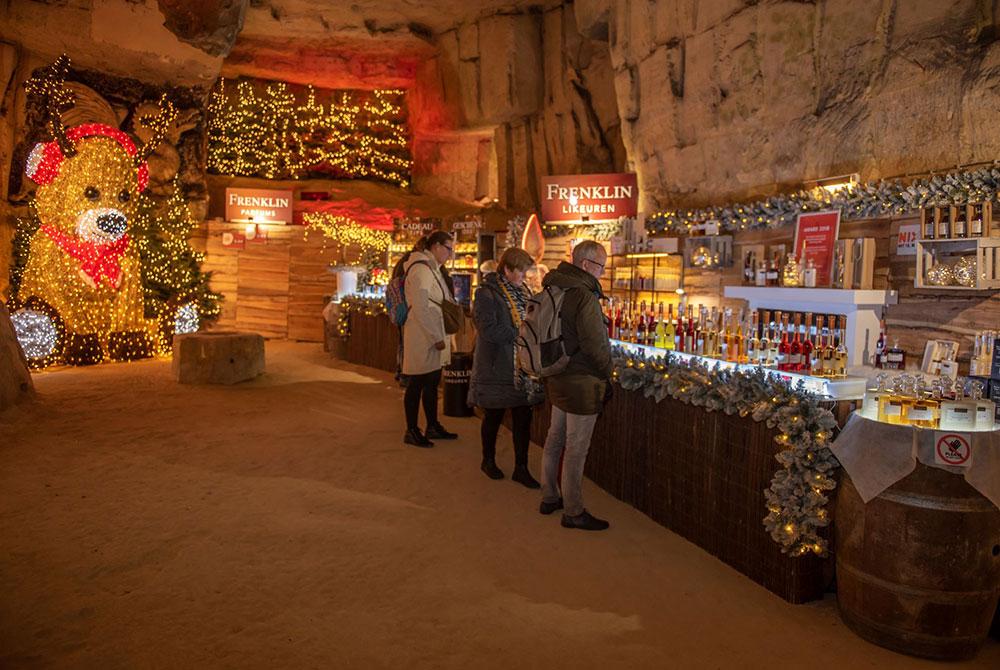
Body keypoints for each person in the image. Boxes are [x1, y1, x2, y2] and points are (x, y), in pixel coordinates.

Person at [538, 240, 612, 531]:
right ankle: (573, 511)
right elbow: (596, 345)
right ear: (585, 265)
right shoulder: (584, 295)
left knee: (554, 439)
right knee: (576, 449)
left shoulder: (554, 285)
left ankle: (549, 496)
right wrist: (608, 373)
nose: (602, 274)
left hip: (556, 374)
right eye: (600, 267)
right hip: (582, 380)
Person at [468, 247, 543, 487]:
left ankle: (521, 467)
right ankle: (487, 460)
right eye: (520, 271)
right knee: (494, 415)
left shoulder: (523, 291)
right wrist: (521, 334)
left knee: (523, 418)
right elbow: (487, 329)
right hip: (496, 365)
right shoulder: (486, 293)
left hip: (522, 367)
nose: (524, 276)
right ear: (507, 269)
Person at [401, 230, 459, 447]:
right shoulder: (421, 271)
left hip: (431, 333)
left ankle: (432, 425)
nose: (450, 254)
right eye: (448, 248)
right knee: (416, 382)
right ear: (435, 246)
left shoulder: (432, 269)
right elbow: (422, 307)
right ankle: (412, 429)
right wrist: (436, 337)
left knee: (431, 381)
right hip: (423, 336)